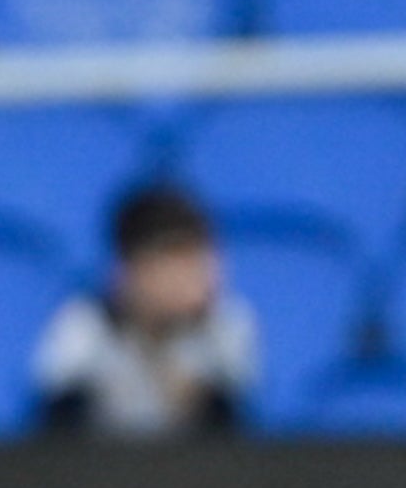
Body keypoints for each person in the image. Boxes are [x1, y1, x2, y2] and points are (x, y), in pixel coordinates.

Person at [34, 182, 256, 436]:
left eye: (199, 260)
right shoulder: (82, 325)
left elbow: (238, 438)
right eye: (176, 259)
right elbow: (51, 433)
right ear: (130, 270)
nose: (197, 277)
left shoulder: (226, 325)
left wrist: (197, 398)